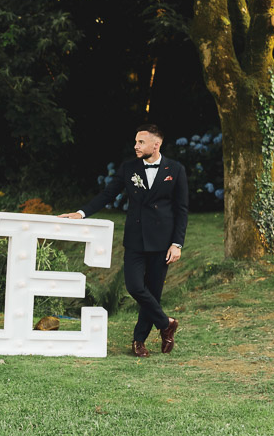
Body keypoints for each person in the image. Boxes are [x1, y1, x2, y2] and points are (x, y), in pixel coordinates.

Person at [60, 124, 188, 357]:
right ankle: (166, 323)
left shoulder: (175, 169)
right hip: (136, 240)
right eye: (136, 142)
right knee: (135, 286)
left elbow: (182, 209)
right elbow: (108, 195)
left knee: (153, 294)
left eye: (141, 142)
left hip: (162, 243)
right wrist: (81, 213)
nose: (136, 146)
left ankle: (139, 341)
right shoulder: (129, 168)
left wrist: (177, 244)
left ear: (156, 145)